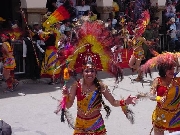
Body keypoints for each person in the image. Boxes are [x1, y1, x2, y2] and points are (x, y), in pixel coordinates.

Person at [62, 61, 137, 134]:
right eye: (87, 71)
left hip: (96, 124)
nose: (90, 73)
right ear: (82, 73)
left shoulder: (101, 86)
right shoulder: (76, 85)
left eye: (92, 71)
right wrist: (66, 95)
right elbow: (68, 105)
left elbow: (113, 102)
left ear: (95, 73)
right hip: (81, 125)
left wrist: (125, 101)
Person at [141, 52, 180, 135]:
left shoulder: (178, 81)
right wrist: (159, 98)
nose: (172, 71)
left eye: (173, 68)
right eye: (169, 69)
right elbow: (151, 95)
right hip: (160, 115)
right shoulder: (158, 80)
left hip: (175, 116)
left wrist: (176, 61)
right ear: (163, 69)